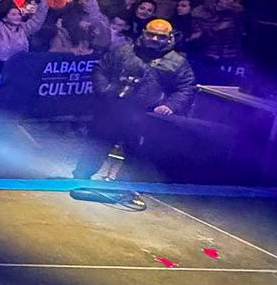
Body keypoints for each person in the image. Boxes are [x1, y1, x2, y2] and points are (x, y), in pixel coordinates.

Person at [73, 17, 198, 180]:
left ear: (170, 38)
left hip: (146, 117)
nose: (154, 39)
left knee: (137, 156)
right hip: (113, 110)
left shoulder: (178, 62)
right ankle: (79, 178)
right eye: (151, 34)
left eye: (160, 36)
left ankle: (126, 187)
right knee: (96, 146)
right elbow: (100, 69)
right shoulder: (123, 51)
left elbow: (186, 87)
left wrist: (170, 105)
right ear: (144, 33)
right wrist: (105, 91)